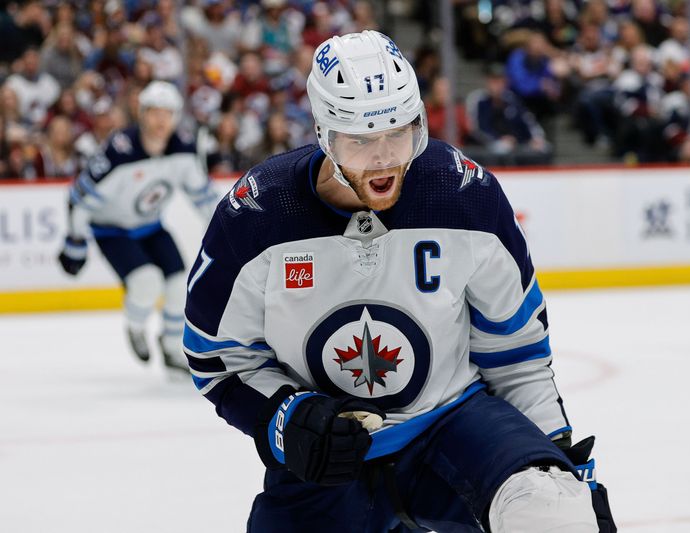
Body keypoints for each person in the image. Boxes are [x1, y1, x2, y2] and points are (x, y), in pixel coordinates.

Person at [183, 31, 615, 532]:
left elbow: (517, 354)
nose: (385, 156)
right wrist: (286, 418)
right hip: (328, 454)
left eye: (399, 131)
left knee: (552, 510)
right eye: (361, 140)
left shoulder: (464, 196)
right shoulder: (257, 214)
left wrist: (560, 460)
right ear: (325, 134)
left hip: (452, 425)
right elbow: (216, 357)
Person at [57, 81, 218, 371]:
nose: (161, 120)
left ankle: (171, 349)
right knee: (146, 282)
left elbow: (203, 197)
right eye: (154, 112)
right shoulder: (119, 151)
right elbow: (79, 200)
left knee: (178, 285)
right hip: (111, 230)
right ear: (141, 114)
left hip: (151, 226)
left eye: (167, 113)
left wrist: (224, 229)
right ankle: (135, 326)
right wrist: (75, 244)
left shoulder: (183, 149)